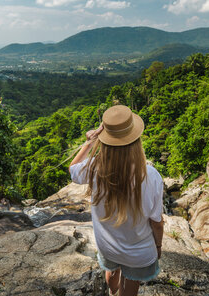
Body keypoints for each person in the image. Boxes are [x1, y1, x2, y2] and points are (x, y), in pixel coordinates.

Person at [69, 105, 164, 296]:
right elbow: (156, 222)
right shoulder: (150, 175)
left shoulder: (94, 168)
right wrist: (158, 246)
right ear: (136, 140)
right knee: (130, 284)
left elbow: (73, 169)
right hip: (138, 253)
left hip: (108, 246)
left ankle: (112, 291)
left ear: (105, 140)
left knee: (112, 271)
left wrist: (90, 142)